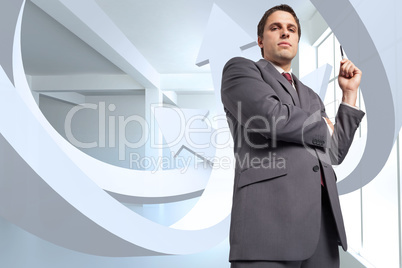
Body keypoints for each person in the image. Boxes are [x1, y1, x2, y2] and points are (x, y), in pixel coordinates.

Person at [221, 4, 365, 268]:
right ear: (261, 41)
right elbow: (269, 116)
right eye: (275, 28)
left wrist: (349, 95)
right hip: (266, 226)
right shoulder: (240, 71)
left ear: (297, 40)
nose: (285, 33)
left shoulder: (311, 95)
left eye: (291, 29)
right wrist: (323, 125)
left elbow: (334, 151)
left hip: (321, 225)